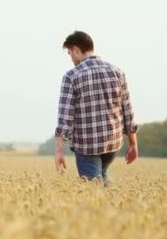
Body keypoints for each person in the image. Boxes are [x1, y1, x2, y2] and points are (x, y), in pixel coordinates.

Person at [55, 31, 138, 185]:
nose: (71, 59)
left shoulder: (71, 76)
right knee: (102, 177)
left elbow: (65, 117)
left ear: (76, 50)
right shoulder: (117, 72)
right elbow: (128, 110)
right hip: (113, 143)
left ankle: (110, 208)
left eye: (70, 54)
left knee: (93, 189)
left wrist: (59, 150)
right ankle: (117, 206)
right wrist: (133, 144)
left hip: (88, 145)